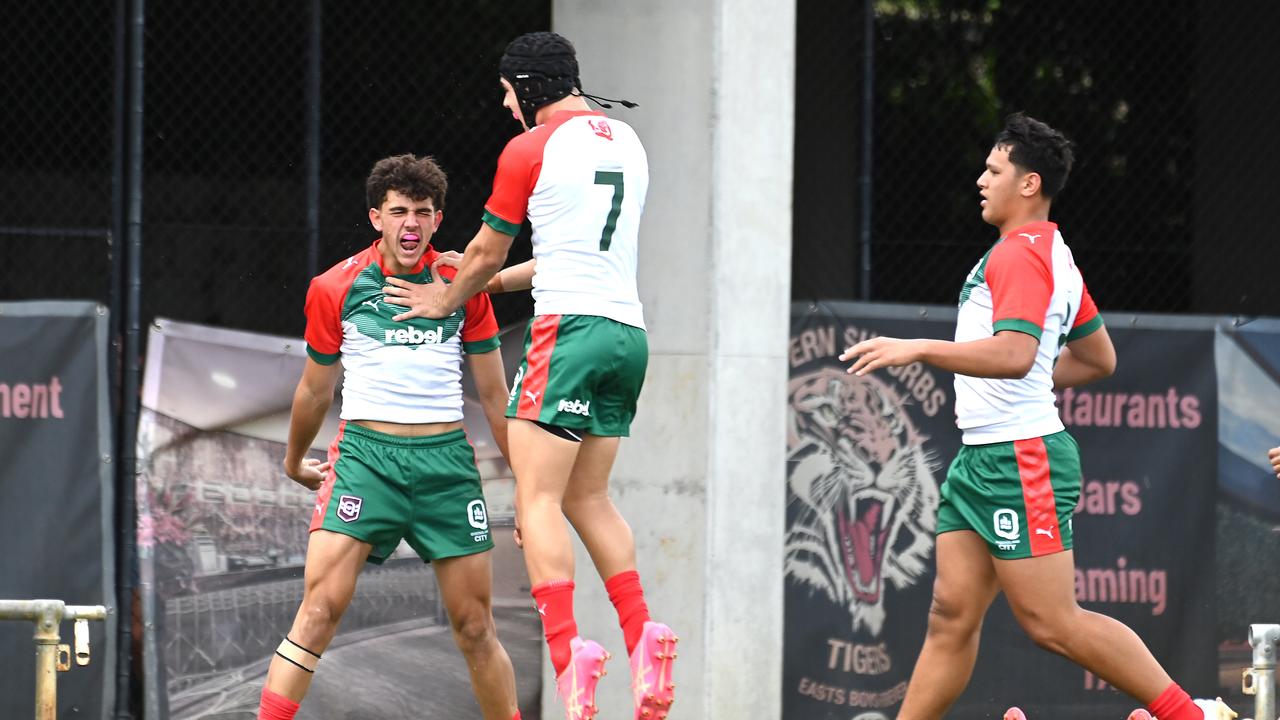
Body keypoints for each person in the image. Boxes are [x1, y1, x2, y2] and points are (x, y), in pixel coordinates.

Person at [839, 114, 1232, 720]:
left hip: (1020, 457)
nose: (981, 180)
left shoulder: (1020, 255)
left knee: (1052, 622)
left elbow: (1016, 354)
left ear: (1029, 184)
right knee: (951, 615)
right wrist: (1025, 369)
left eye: (994, 170)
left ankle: (1191, 716)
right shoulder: (1050, 251)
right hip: (982, 459)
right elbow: (1099, 359)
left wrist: (917, 348)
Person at [381, 31, 676, 720]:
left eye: (511, 94)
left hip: (567, 334)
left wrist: (442, 296)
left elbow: (488, 247)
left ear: (530, 86)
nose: (509, 108)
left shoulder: (530, 149)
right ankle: (642, 636)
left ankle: (572, 656)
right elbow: (562, 256)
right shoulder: (628, 143)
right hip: (625, 335)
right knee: (589, 499)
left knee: (537, 501)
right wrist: (477, 276)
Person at [256, 154, 521, 720]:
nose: (410, 224)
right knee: (319, 610)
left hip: (446, 464)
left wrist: (529, 488)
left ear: (437, 219)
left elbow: (497, 398)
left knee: (476, 627)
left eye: (422, 213)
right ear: (376, 217)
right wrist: (294, 460)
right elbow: (313, 393)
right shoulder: (335, 286)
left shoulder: (462, 285)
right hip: (364, 463)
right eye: (398, 211)